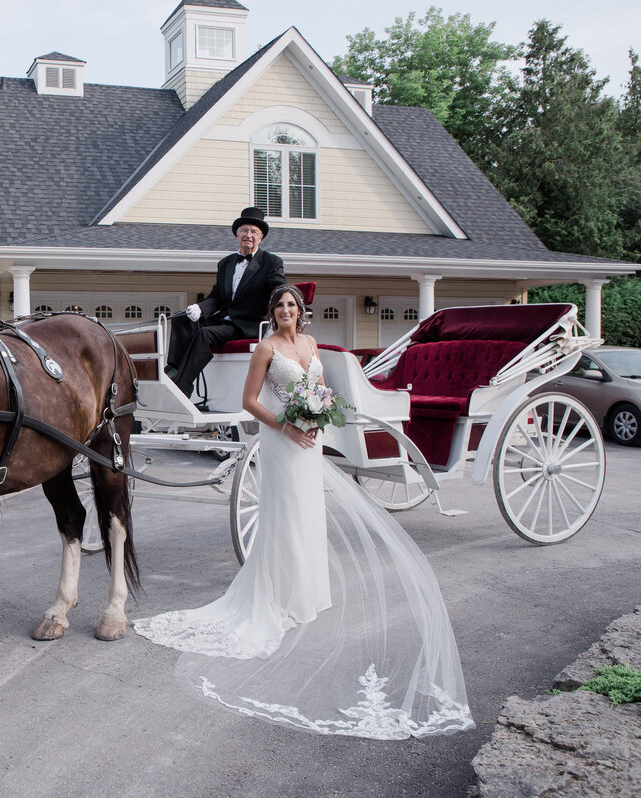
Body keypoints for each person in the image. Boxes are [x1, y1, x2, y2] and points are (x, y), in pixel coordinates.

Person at [135, 285, 474, 740]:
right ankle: (281, 596)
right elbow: (250, 402)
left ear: (301, 312)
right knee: (285, 513)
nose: (286, 312)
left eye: (292, 306)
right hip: (281, 440)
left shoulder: (311, 346)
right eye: (279, 306)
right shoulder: (266, 348)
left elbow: (319, 388)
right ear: (273, 313)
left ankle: (308, 592)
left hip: (308, 440)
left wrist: (317, 413)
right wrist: (288, 426)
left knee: (309, 512)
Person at [166, 207, 285, 398]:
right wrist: (199, 308)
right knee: (182, 319)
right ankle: (174, 369)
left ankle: (183, 385)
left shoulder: (271, 262)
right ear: (237, 235)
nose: (248, 235)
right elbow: (216, 298)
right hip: (224, 321)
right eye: (244, 230)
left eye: (254, 232)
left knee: (205, 334)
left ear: (261, 237)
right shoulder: (226, 263)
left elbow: (280, 290)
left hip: (247, 325)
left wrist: (283, 315)